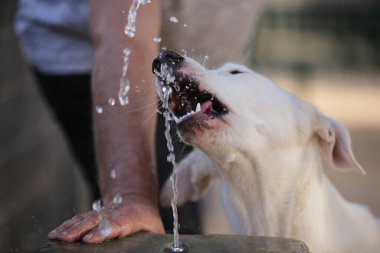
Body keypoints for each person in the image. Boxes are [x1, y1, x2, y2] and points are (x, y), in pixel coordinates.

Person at [16, 0, 262, 243]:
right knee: (155, 223)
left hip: (194, 73)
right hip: (103, 61)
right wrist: (129, 196)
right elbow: (125, 35)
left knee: (178, 206)